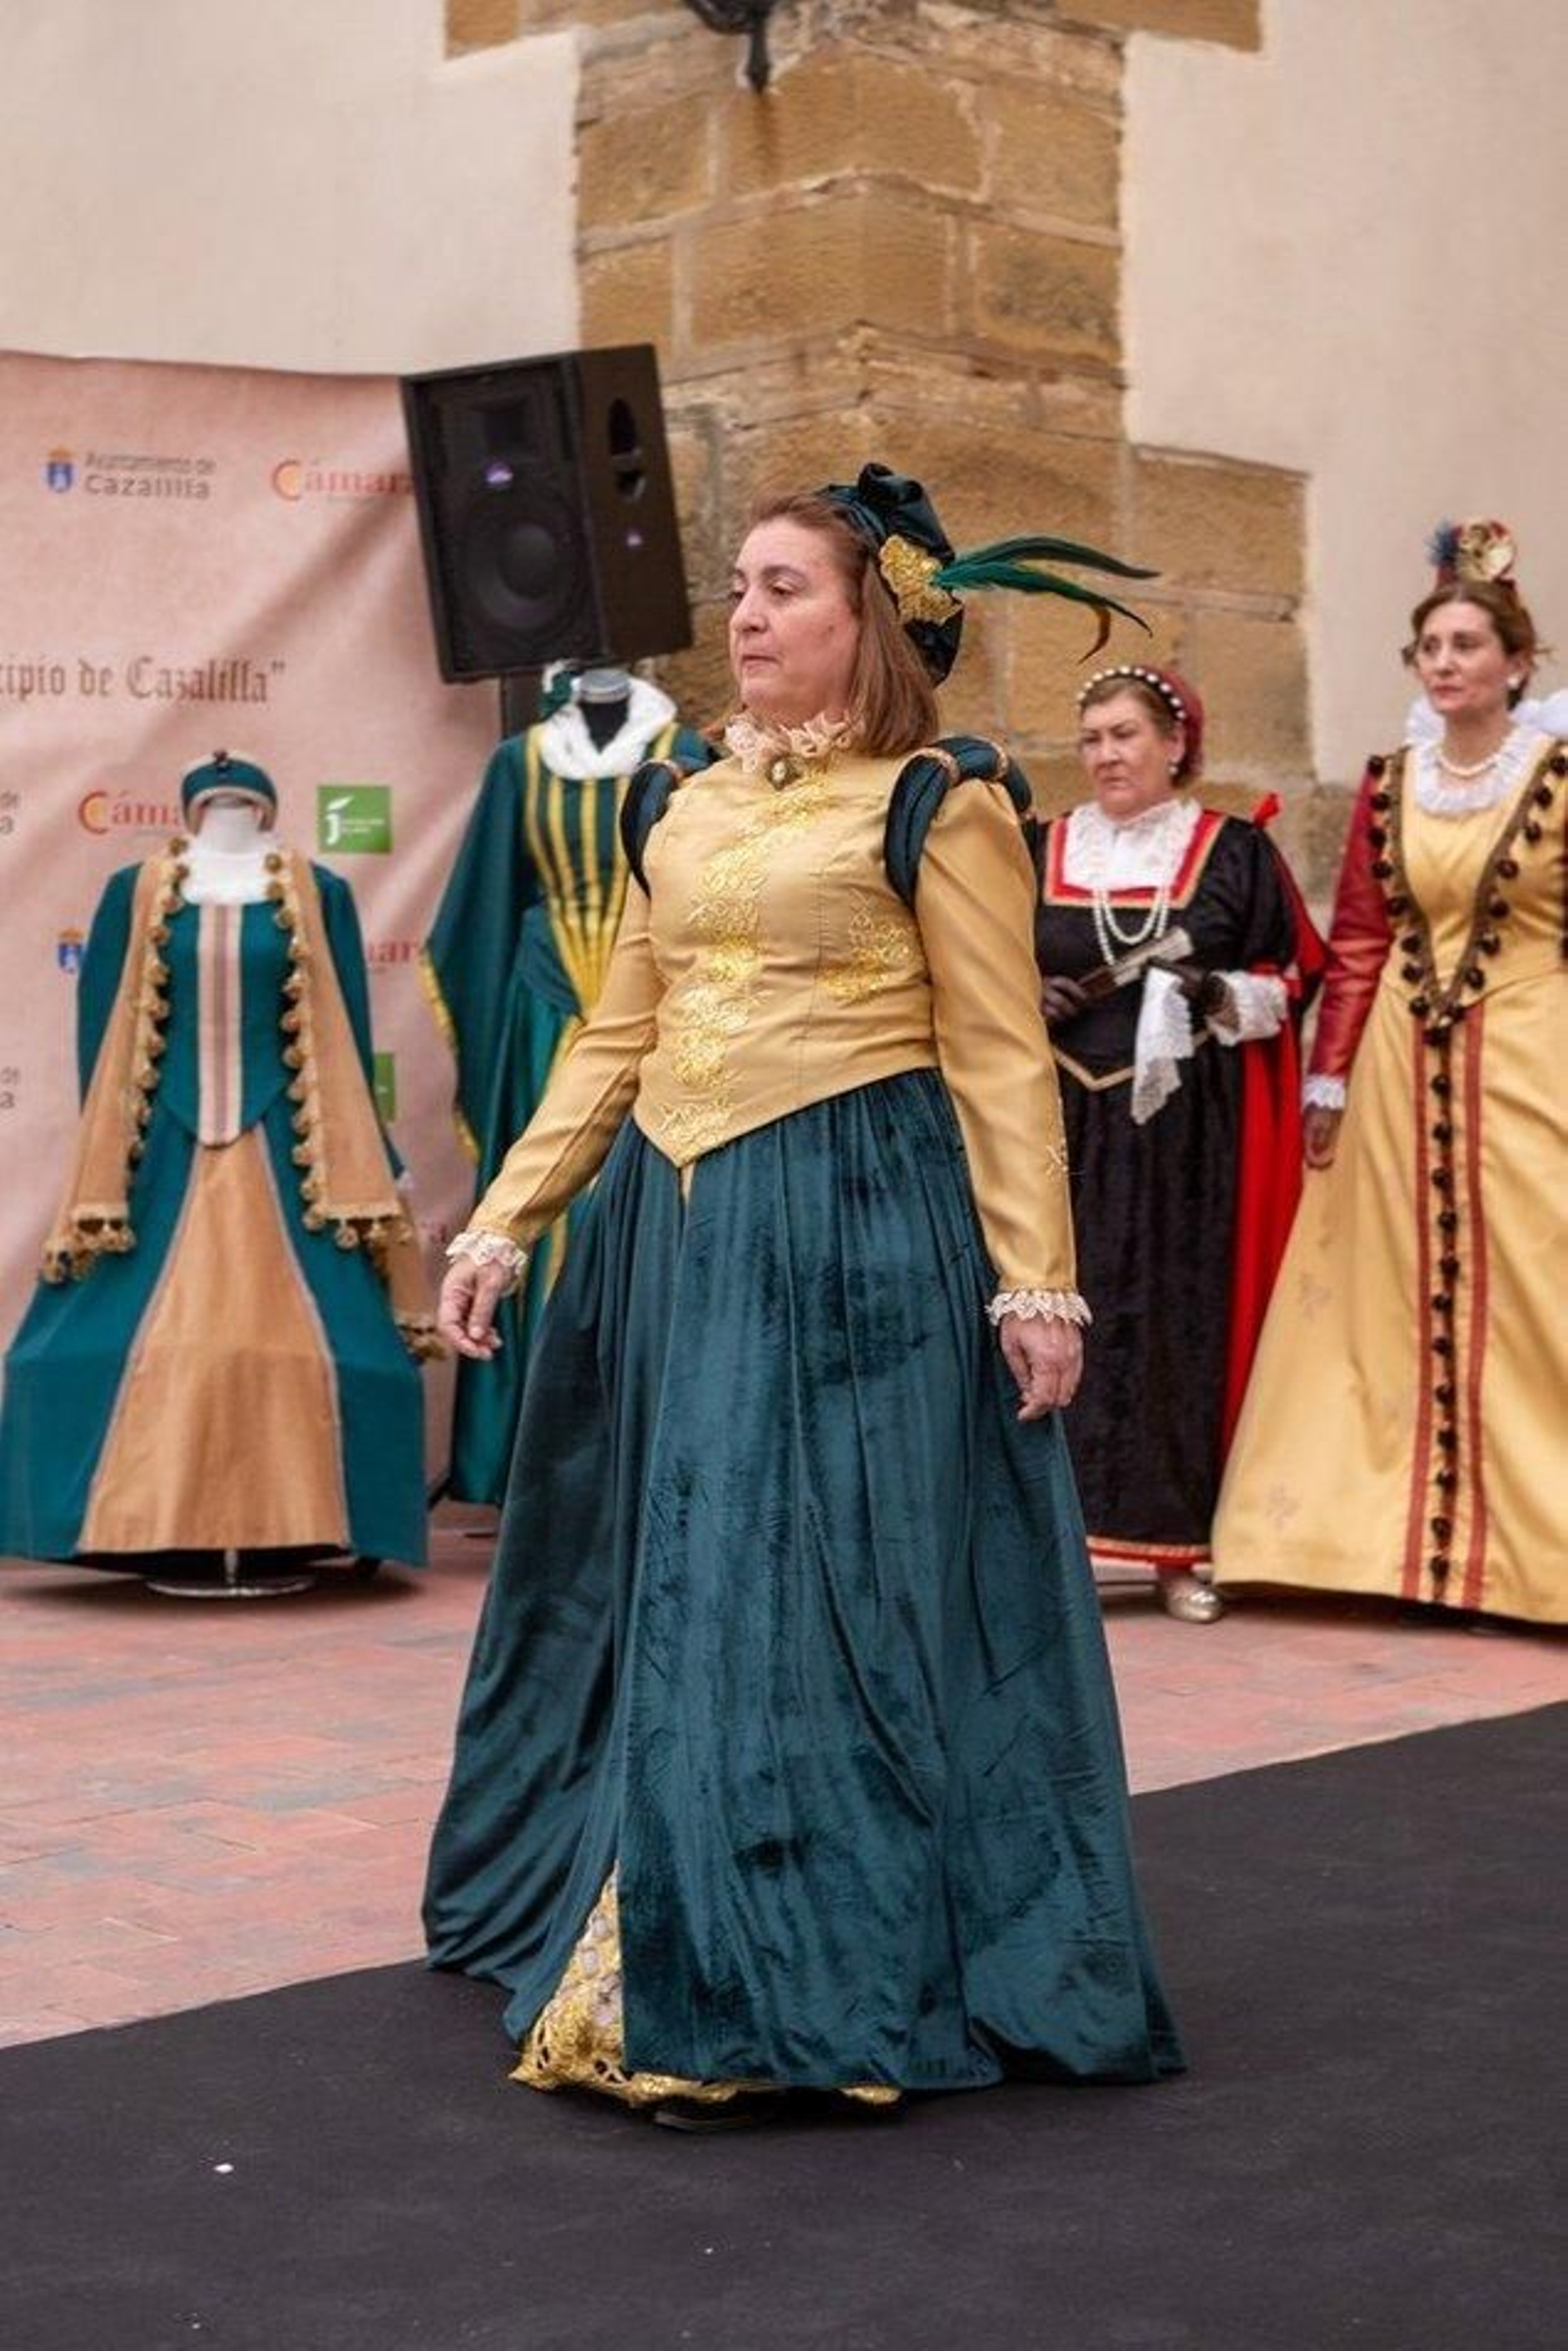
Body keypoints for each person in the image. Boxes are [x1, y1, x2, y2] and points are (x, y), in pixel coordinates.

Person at [422, 462, 1183, 2124]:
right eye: (742, 588)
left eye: (783, 589)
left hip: (854, 1231)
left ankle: (806, 1960)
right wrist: (502, 1220)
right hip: (676, 1230)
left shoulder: (939, 800)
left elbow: (997, 1052)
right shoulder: (682, 800)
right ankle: (670, 1917)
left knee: (813, 1583)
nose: (746, 616)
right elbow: (619, 1032)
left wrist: (1037, 1281)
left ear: (871, 622)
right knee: (685, 1574)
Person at [1213, 521, 1567, 1626]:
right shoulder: (1390, 782)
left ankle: (1534, 1554)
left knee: (1537, 1286)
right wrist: (1327, 1078)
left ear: (1517, 661)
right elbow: (1361, 939)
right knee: (1377, 1302)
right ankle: (1371, 1546)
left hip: (1534, 1054)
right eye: (1430, 647)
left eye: (1467, 644)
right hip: (1395, 1075)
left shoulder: (1558, 777)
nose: (1445, 662)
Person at [0, 752, 437, 1591]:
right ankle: (156, 1529)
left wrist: (377, 1159)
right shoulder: (133, 890)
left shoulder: (319, 892)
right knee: (97, 1347)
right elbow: (103, 1027)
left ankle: (289, 1531)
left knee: (334, 1348)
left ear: (265, 808)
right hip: (161, 1142)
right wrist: (110, 1157)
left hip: (288, 1139)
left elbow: (345, 1031)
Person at [1035, 666, 1321, 1622]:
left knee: (1170, 1331)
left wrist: (1211, 993)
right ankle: (1050, 1555)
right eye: (1092, 738)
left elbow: (1288, 977)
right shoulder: (1038, 848)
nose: (1106, 754)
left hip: (1183, 1139)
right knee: (1052, 1322)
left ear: (1174, 743)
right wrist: (1024, 994)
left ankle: (1175, 1550)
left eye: (1124, 735)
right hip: (1061, 1127)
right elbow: (976, 963)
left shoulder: (1232, 851)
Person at [422, 663, 711, 1505]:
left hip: (659, 1008)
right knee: (536, 1204)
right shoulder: (520, 761)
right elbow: (485, 900)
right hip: (548, 1014)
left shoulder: (684, 753)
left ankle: (643, 1446)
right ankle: (523, 1457)